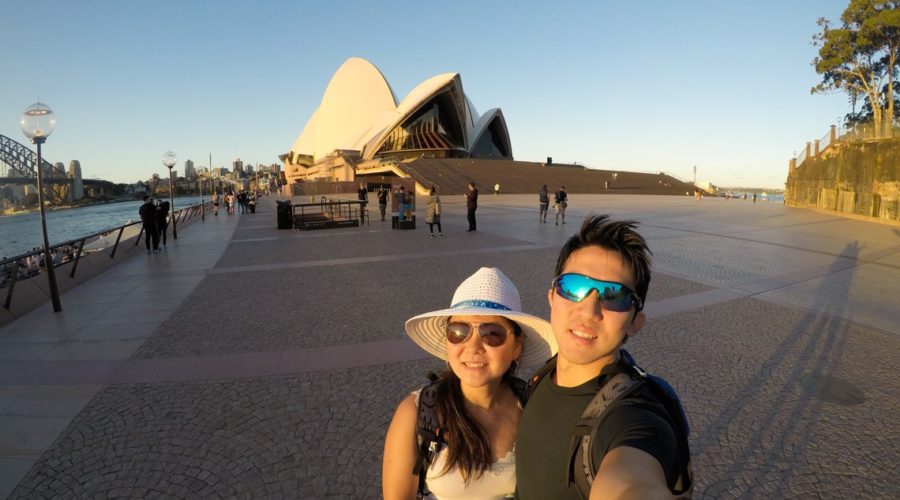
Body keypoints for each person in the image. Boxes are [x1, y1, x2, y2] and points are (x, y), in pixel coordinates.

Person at [516, 214, 691, 499]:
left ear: (636, 322)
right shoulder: (540, 377)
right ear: (551, 297)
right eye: (573, 287)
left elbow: (633, 481)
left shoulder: (633, 416)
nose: (589, 311)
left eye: (615, 296)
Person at [382, 267, 556, 499]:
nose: (473, 347)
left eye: (492, 334)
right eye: (458, 331)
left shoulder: (534, 408)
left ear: (516, 346)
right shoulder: (415, 413)